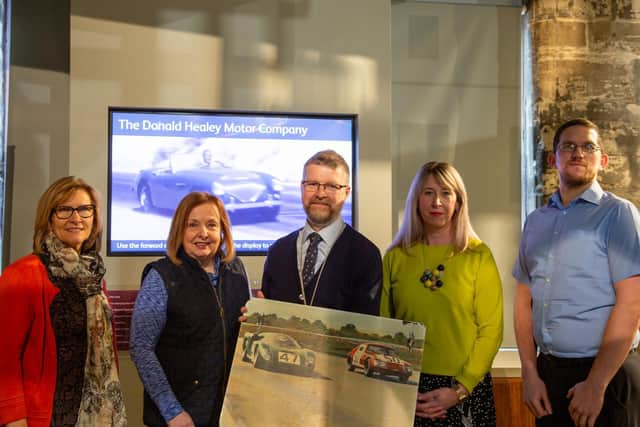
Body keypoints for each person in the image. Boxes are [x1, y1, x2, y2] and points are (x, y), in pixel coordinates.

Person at [513, 118, 640, 427]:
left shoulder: (618, 214)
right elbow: (522, 304)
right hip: (548, 377)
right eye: (568, 146)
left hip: (607, 376)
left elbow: (632, 303)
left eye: (588, 147)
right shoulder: (535, 222)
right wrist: (530, 373)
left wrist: (596, 384)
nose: (578, 153)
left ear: (603, 160)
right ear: (553, 158)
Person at [380, 161, 503, 426]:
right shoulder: (396, 257)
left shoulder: (478, 256)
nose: (437, 201)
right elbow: (384, 329)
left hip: (464, 390)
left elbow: (491, 330)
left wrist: (460, 389)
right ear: (416, 200)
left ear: (458, 201)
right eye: (428, 192)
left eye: (446, 193)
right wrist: (402, 388)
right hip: (408, 388)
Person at [0, 176, 127, 427]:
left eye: (84, 209)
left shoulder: (92, 276)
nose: (76, 218)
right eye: (64, 209)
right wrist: (14, 417)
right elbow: (4, 355)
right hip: (46, 415)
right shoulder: (22, 274)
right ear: (48, 217)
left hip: (95, 414)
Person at [130, 192, 251, 427]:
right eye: (192, 225)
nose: (203, 234)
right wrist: (172, 411)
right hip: (180, 417)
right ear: (179, 231)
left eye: (212, 225)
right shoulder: (161, 276)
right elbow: (141, 347)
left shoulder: (236, 271)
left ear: (223, 231)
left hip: (227, 413)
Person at [260, 149, 382, 315]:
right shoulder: (278, 251)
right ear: (301, 188)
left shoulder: (366, 256)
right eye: (312, 184)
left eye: (331, 186)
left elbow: (367, 328)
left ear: (346, 193)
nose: (320, 194)